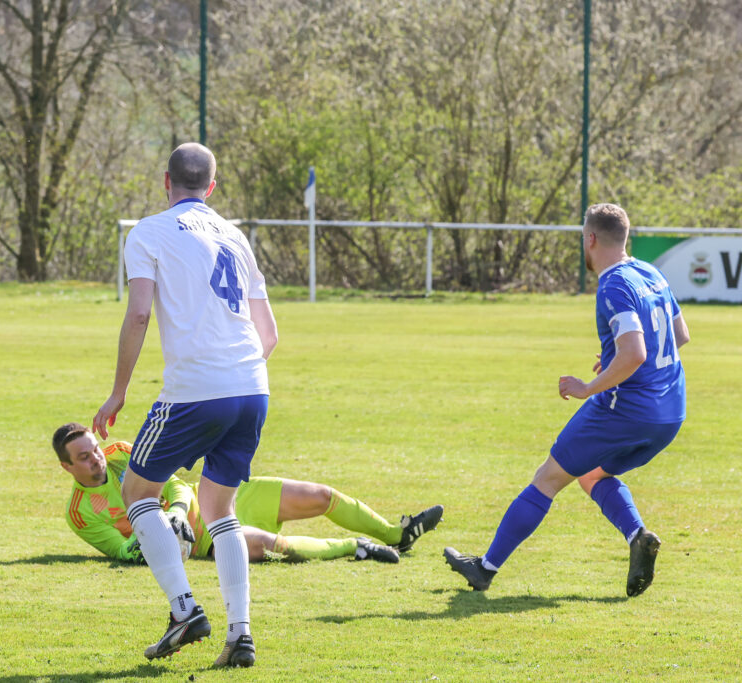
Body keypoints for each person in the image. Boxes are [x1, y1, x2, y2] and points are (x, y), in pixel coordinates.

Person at [92, 143, 277, 667]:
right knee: (220, 510)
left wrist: (119, 392)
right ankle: (240, 635)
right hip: (252, 388)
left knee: (137, 493)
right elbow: (269, 334)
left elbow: (139, 315)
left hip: (195, 391)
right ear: (211, 187)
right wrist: (235, 375)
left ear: (165, 181)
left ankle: (184, 611)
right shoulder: (236, 236)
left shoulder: (148, 232)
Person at [444, 203, 689, 597]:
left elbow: (635, 354)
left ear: (590, 239)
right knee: (592, 475)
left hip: (626, 409)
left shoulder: (613, 285)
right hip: (671, 412)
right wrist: (616, 361)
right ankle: (638, 537)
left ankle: (484, 569)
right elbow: (679, 336)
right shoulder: (650, 272)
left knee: (548, 479)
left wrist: (589, 386)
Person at [54, 423, 444, 565]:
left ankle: (397, 534)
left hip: (217, 496)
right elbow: (119, 551)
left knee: (322, 496)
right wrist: (153, 542)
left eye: (95, 450)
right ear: (67, 467)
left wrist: (177, 511)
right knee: (272, 546)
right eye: (84, 458)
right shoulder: (80, 513)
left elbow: (174, 484)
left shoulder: (121, 452)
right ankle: (354, 547)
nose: (97, 459)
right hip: (205, 539)